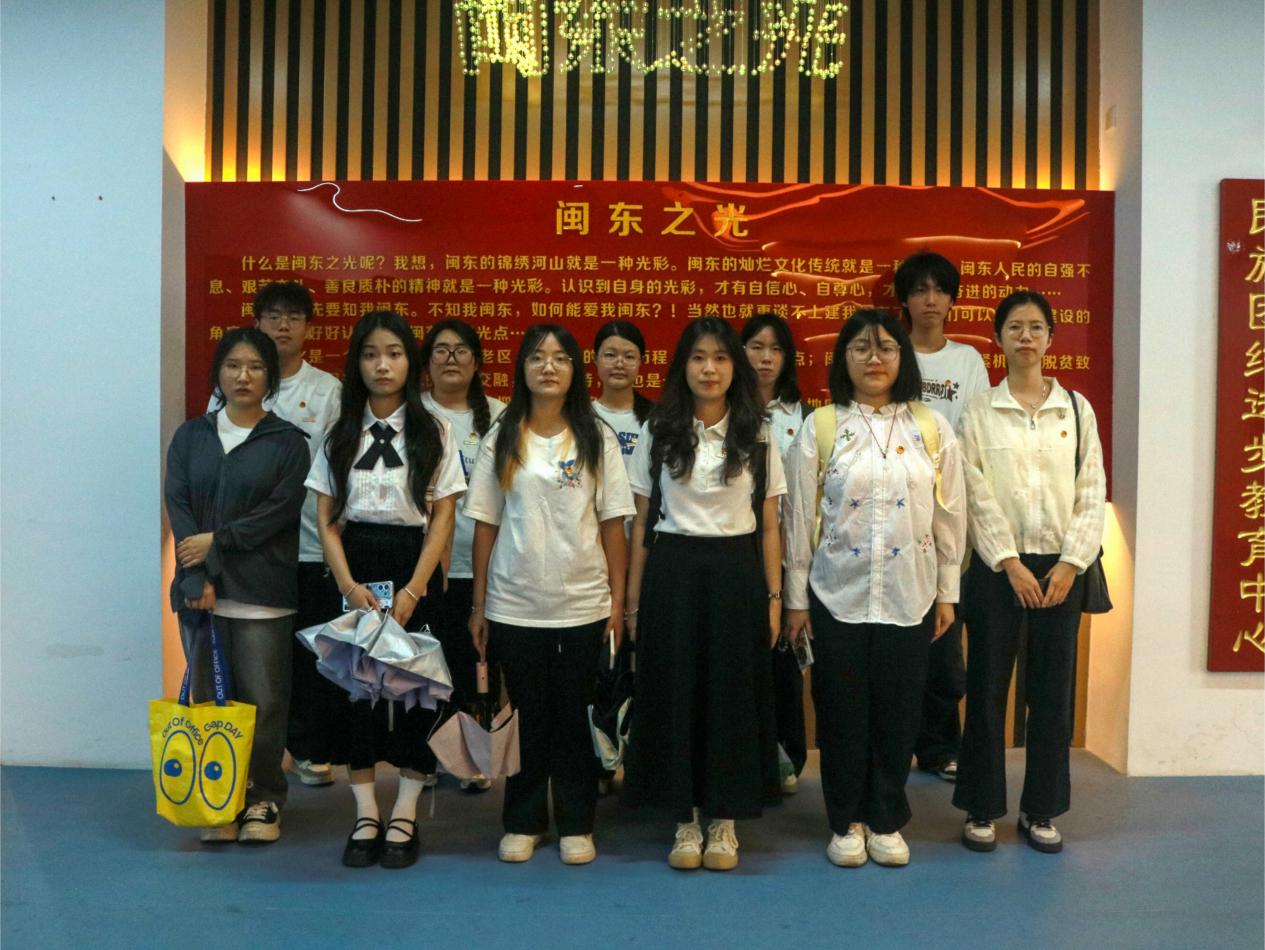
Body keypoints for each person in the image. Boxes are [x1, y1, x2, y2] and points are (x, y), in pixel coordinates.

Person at [782, 308, 966, 868]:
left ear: (902, 358)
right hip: (837, 594)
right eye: (860, 348)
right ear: (844, 359)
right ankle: (846, 820)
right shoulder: (821, 427)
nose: (874, 358)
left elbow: (950, 515)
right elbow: (797, 518)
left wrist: (948, 592)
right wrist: (795, 600)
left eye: (885, 347)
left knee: (898, 710)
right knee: (840, 711)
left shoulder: (931, 427)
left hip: (910, 594)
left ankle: (885, 817)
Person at [464, 324, 633, 866]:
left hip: (583, 602)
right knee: (528, 715)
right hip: (515, 603)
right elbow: (485, 524)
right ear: (522, 368)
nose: (549, 367)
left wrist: (617, 603)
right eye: (537, 357)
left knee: (574, 718)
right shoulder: (503, 434)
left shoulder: (595, 436)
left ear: (575, 369)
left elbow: (613, 524)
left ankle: (577, 822)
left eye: (560, 358)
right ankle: (524, 819)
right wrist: (479, 605)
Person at [623, 316, 786, 873]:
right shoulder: (659, 428)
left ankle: (724, 820)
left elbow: (770, 524)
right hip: (673, 573)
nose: (709, 369)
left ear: (733, 367)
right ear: (682, 367)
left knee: (731, 697)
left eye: (719, 358)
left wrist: (773, 598)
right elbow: (641, 524)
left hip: (737, 575)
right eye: (698, 358)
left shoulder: (757, 431)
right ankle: (684, 819)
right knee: (677, 694)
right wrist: (633, 604)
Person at [306, 310, 466, 869]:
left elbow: (444, 514)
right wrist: (348, 585)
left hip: (413, 567)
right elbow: (325, 519)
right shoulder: (339, 433)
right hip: (355, 569)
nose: (382, 365)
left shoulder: (434, 431)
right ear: (357, 363)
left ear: (410, 361)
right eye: (371, 354)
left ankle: (406, 810)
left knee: (418, 689)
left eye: (394, 354)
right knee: (356, 692)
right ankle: (366, 811)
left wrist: (415, 589)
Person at [953, 290, 1106, 855]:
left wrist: (1071, 562)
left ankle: (1040, 809)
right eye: (1014, 327)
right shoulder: (979, 411)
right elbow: (973, 490)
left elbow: (1092, 488)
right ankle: (981, 807)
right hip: (999, 571)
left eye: (1036, 327)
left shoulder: (1076, 409)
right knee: (987, 690)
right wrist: (1008, 561)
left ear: (1050, 337)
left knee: (1051, 695)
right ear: (998, 338)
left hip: (1062, 570)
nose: (1026, 336)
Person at [166, 326, 310, 845]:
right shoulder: (191, 437)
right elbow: (180, 505)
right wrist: (197, 574)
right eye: (232, 365)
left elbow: (279, 511)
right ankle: (219, 798)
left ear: (270, 377)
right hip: (199, 593)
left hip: (262, 591)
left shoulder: (288, 442)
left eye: (254, 367)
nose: (243, 376)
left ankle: (264, 798)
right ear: (218, 373)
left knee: (264, 702)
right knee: (210, 700)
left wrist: (219, 543)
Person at [206, 282, 345, 789]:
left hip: (309, 544)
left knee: (308, 654)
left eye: (293, 317)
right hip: (248, 550)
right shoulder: (229, 389)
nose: (282, 326)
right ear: (257, 322)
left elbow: (339, 467)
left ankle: (305, 749)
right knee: (252, 662)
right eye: (272, 316)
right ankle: (249, 760)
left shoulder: (328, 390)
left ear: (308, 327)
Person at [893, 252, 991, 784]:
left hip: (950, 515)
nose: (930, 300)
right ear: (904, 300)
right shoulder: (891, 351)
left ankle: (940, 745)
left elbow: (975, 434)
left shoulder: (967, 361)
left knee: (944, 636)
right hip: (893, 514)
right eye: (919, 290)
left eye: (939, 290)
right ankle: (893, 744)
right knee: (896, 635)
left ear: (953, 299)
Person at [419, 319, 507, 793]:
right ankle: (430, 756)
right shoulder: (413, 414)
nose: (451, 359)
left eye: (461, 351)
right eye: (441, 350)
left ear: (477, 362)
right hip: (426, 566)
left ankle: (474, 755)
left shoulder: (502, 417)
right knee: (431, 663)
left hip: (486, 566)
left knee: (479, 663)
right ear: (427, 361)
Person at [741, 312, 810, 795]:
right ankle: (746, 757)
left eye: (776, 349)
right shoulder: (724, 410)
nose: (766, 358)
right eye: (756, 347)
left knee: (783, 661)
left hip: (789, 558)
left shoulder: (804, 417)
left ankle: (785, 756)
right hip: (737, 553)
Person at [591, 319, 654, 460]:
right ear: (595, 359)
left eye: (629, 356)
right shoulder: (581, 417)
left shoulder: (657, 418)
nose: (619, 364)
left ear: (641, 361)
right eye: (610, 355)